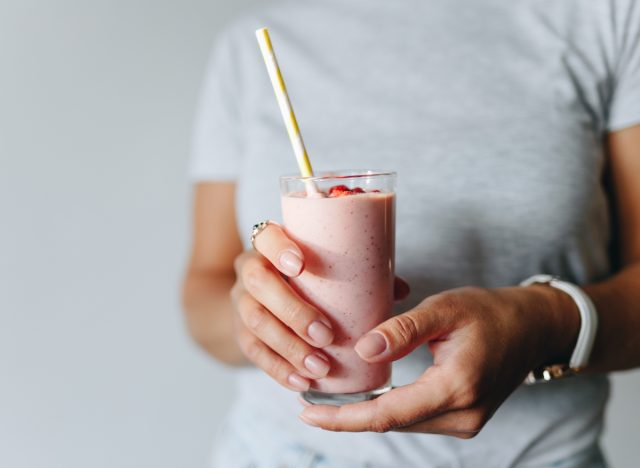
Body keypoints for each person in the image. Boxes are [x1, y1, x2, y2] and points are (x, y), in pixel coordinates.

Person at [182, 0, 640, 466]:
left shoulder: (606, 17)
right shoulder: (253, 44)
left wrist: (546, 324)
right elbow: (205, 286)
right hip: (288, 451)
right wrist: (250, 319)